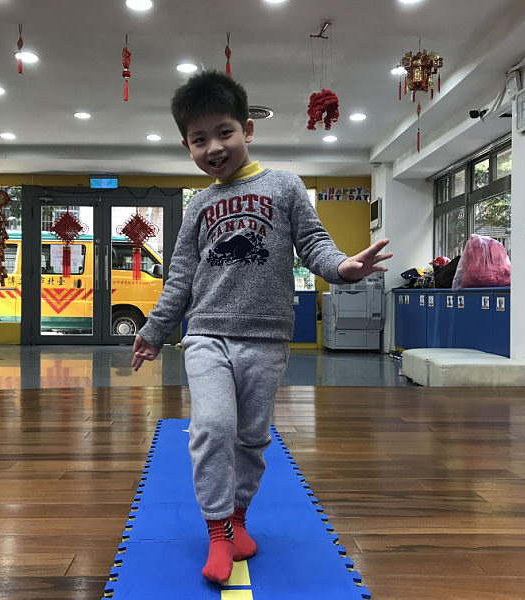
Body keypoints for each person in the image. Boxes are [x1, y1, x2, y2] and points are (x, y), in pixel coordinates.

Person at [130, 70, 392, 585]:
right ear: (187, 146)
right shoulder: (198, 205)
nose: (213, 147)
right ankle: (216, 531)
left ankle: (238, 517)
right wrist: (155, 330)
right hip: (206, 334)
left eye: (223, 132)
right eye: (199, 139)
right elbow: (180, 276)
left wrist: (342, 268)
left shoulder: (285, 185)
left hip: (267, 337)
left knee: (250, 437)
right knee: (213, 427)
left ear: (247, 129)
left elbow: (313, 243)